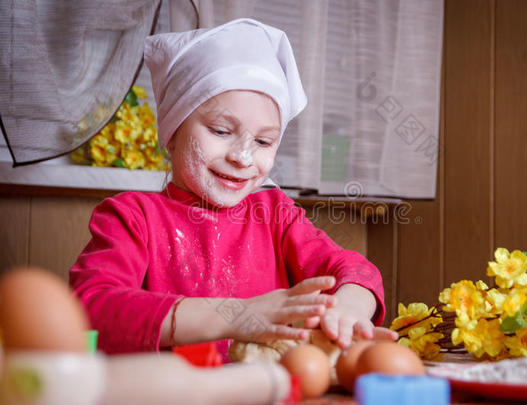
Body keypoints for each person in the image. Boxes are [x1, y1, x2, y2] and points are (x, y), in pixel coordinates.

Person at [69, 18, 397, 362]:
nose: (243, 157)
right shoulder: (133, 217)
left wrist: (346, 308)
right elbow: (92, 308)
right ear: (172, 133)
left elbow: (352, 269)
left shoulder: (274, 214)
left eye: (263, 140)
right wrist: (236, 314)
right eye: (221, 130)